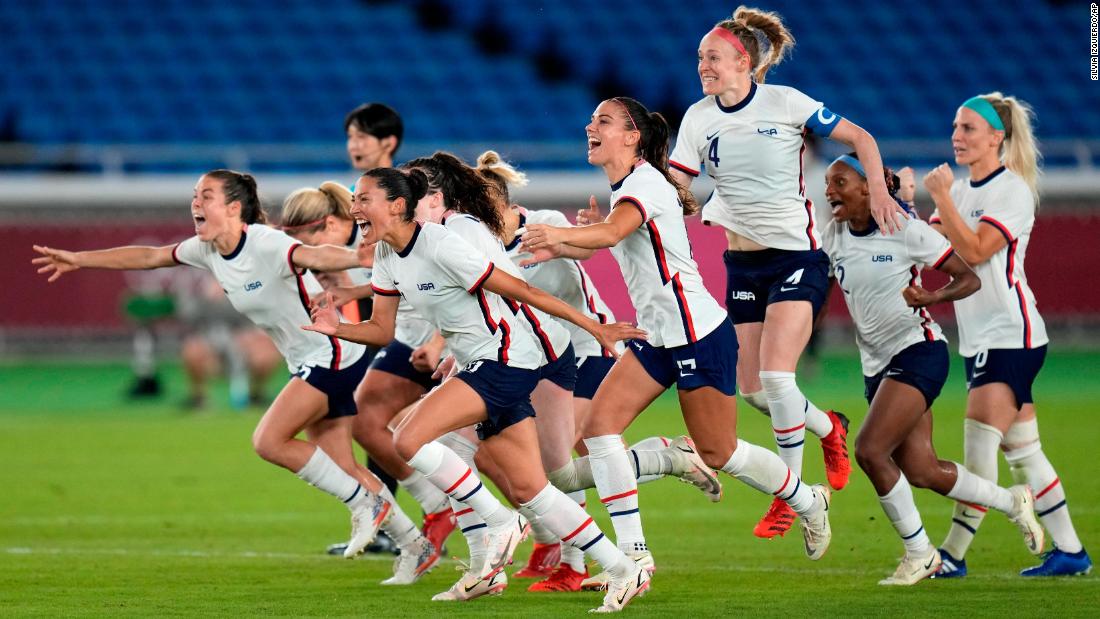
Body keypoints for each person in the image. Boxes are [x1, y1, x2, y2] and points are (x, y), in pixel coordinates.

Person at [31, 170, 433, 584]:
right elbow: (149, 256)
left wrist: (358, 258)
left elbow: (312, 256)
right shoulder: (206, 250)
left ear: (234, 208)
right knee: (343, 466)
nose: (196, 204)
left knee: (268, 441)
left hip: (330, 355)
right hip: (308, 359)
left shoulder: (264, 242)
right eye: (194, 195)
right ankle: (415, 545)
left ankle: (367, 506)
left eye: (206, 196)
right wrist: (79, 260)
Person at [304, 167, 652, 612]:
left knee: (410, 438)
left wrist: (595, 326)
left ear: (396, 204)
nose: (354, 208)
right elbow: (380, 330)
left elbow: (522, 290)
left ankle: (498, 524)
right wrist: (338, 329)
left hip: (508, 358)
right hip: (482, 361)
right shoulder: (387, 258)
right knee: (534, 489)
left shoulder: (442, 242)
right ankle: (624, 569)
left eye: (363, 198)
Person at [522, 97, 834, 580]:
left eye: (602, 121)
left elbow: (612, 235)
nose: (590, 126)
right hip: (658, 336)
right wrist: (563, 244)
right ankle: (635, 557)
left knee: (721, 452)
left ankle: (808, 499)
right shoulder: (627, 186)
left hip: (697, 334)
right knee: (599, 434)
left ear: (632, 137)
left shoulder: (643, 184)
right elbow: (613, 238)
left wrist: (561, 235)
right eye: (591, 119)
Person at [666, 6, 907, 538]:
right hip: (742, 265)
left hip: (798, 258)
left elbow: (862, 139)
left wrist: (882, 192)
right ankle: (830, 427)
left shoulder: (788, 103)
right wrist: (653, 204)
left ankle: (792, 496)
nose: (702, 65)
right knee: (752, 389)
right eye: (700, 57)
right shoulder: (697, 118)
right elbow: (675, 187)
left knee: (776, 377)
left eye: (713, 57)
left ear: (744, 62)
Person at [822, 154, 1043, 585]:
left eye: (840, 182)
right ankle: (1012, 501)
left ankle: (921, 553)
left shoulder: (905, 230)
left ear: (868, 189)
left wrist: (930, 298)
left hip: (918, 351)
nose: (830, 191)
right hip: (877, 366)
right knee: (922, 470)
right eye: (829, 183)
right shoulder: (833, 237)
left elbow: (968, 278)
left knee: (869, 450)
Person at [924, 92, 1092, 577]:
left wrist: (938, 198)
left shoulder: (1011, 191)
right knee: (1023, 451)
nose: (957, 136)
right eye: (955, 127)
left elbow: (974, 251)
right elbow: (934, 245)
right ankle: (1070, 551)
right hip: (982, 337)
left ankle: (952, 555)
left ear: (997, 137)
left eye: (969, 128)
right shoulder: (960, 190)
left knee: (979, 448)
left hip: (1011, 335)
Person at [280, 181, 452, 578]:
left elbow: (439, 286)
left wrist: (440, 339)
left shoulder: (377, 240)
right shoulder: (352, 248)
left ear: (332, 224)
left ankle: (547, 535)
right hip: (404, 340)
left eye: (307, 235)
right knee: (369, 422)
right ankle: (435, 514)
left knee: (489, 452)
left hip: (447, 338)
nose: (301, 248)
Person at [177, 273, 282, 409]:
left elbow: (257, 316)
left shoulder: (247, 275)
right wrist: (205, 298)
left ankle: (256, 395)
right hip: (209, 341)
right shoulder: (195, 278)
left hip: (241, 340)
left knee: (266, 352)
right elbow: (187, 317)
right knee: (192, 349)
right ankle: (198, 398)